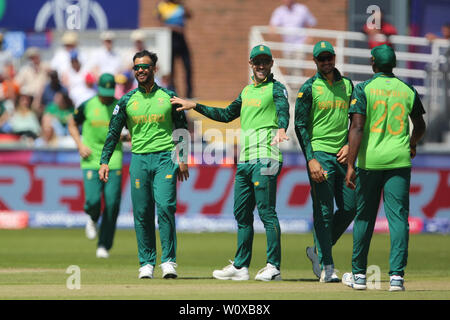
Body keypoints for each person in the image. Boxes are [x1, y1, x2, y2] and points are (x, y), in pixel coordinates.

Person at [171, 44, 290, 281]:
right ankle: (241, 266)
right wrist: (195, 105)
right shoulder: (247, 92)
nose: (261, 66)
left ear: (271, 64)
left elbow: (283, 109)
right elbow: (226, 115)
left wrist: (282, 127)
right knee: (242, 213)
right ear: (251, 64)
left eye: (265, 62)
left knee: (266, 212)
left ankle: (273, 266)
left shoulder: (276, 89)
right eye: (257, 62)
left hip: (266, 156)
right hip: (245, 160)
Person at [342, 44, 426, 292]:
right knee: (398, 218)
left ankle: (358, 276)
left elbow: (356, 128)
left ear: (373, 63)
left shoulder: (364, 89)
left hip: (370, 162)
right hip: (399, 161)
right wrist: (412, 143)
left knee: (365, 217)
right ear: (394, 64)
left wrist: (350, 165)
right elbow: (420, 125)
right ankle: (397, 278)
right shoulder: (407, 89)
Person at [99, 50, 189, 278]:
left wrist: (183, 157)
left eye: (145, 66)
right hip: (139, 159)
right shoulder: (127, 100)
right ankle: (146, 263)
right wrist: (104, 161)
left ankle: (168, 261)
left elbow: (181, 128)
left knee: (167, 207)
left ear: (154, 69)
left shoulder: (168, 96)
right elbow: (113, 132)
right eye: (137, 67)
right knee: (142, 212)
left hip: (164, 158)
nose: (140, 70)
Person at [294, 40, 356, 282]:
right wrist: (310, 159)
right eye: (322, 59)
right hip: (319, 154)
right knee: (323, 211)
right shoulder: (308, 88)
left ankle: (319, 250)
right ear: (315, 62)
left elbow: (357, 121)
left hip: (343, 155)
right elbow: (299, 125)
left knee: (351, 207)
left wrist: (351, 145)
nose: (326, 62)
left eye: (329, 57)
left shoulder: (349, 85)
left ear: (335, 57)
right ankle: (327, 268)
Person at [67, 73, 124, 259]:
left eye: (109, 92)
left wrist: (126, 136)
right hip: (91, 158)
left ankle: (104, 244)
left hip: (113, 157)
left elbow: (132, 129)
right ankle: (92, 217)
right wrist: (80, 144)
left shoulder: (120, 105)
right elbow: (72, 123)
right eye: (103, 91)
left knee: (113, 203)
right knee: (92, 201)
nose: (106, 96)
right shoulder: (88, 105)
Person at [156, 0, 193, 98]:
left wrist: (183, 6)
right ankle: (172, 91)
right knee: (171, 69)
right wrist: (174, 28)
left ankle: (189, 94)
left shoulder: (179, 6)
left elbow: (190, 15)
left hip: (181, 39)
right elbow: (160, 23)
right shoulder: (162, 6)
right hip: (170, 40)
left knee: (188, 66)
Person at [269, 0, 317, 76]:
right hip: (287, 47)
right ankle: (292, 87)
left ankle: (297, 88)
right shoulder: (280, 11)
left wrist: (309, 38)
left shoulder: (302, 9)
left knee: (298, 69)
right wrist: (275, 30)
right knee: (289, 71)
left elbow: (311, 23)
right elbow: (272, 26)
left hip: (300, 45)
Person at [15, 47, 50, 115]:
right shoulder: (25, 69)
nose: (33, 59)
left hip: (42, 96)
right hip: (29, 96)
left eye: (35, 57)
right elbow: (17, 83)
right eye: (31, 58)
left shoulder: (46, 66)